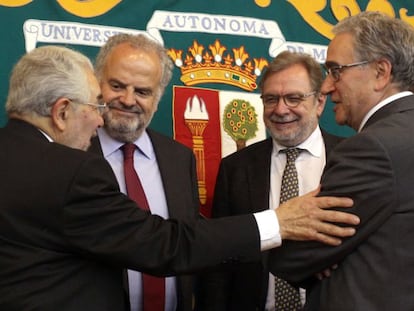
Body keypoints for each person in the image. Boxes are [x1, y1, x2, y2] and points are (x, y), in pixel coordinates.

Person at [0, 45, 359, 311]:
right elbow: (165, 244)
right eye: (97, 104)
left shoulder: (177, 158)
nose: (101, 117)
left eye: (142, 91)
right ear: (61, 111)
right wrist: (278, 222)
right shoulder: (73, 170)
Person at [268, 11, 414, 311]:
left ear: (380, 72)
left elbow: (290, 257)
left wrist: (330, 255)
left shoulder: (371, 149)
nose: (326, 87)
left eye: (336, 71)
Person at [196, 51, 344, 311]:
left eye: (293, 98)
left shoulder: (350, 159)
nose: (280, 109)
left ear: (319, 103)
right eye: (271, 99)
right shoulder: (236, 168)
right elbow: (219, 260)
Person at [88, 34, 199, 311]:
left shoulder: (180, 158)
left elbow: (189, 243)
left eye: (142, 91)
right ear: (97, 84)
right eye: (117, 86)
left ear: (157, 98)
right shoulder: (73, 154)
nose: (127, 100)